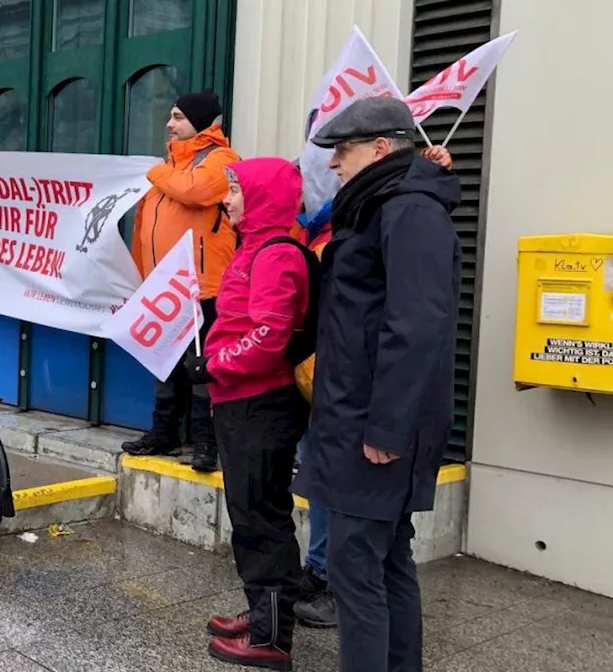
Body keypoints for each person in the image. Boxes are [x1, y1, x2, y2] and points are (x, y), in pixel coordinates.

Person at [292, 97, 461, 672]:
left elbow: (416, 327)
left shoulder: (408, 211)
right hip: (355, 420)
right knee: (383, 563)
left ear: (381, 148)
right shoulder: (378, 206)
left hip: (376, 428)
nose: (334, 164)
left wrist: (388, 426)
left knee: (356, 570)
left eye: (343, 150)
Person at [180, 158, 311, 670]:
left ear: (261, 198)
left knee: (261, 517)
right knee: (251, 513)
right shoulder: (253, 249)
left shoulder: (277, 256)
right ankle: (262, 613)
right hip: (241, 403)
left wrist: (213, 365)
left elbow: (269, 336)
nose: (226, 200)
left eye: (234, 191)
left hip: (260, 405)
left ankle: (272, 636)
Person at [122, 91, 240, 472]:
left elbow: (197, 192)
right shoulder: (169, 168)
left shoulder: (222, 160)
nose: (169, 125)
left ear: (201, 121)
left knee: (203, 367)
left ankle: (207, 443)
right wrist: (144, 281)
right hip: (165, 289)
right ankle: (164, 432)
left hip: (204, 287)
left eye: (177, 117)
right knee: (164, 364)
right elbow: (143, 228)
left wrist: (154, 171)